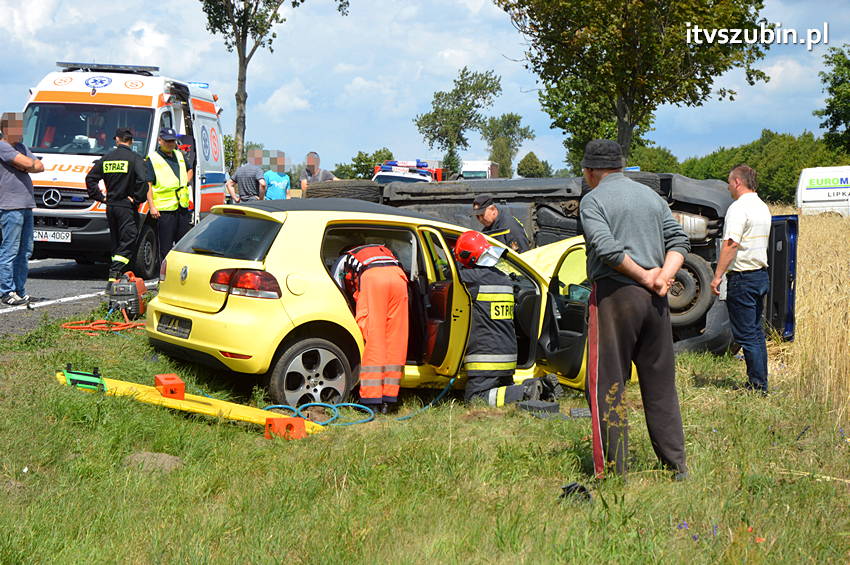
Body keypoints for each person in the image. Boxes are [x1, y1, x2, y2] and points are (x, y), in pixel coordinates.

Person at [579, 139, 690, 480]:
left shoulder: (593, 200)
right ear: (622, 166)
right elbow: (679, 240)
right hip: (656, 301)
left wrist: (643, 276)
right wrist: (663, 277)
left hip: (616, 298)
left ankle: (613, 471)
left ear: (590, 172)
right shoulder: (652, 198)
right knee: (660, 384)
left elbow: (607, 249)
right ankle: (676, 466)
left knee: (607, 384)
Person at [453, 230, 559, 405]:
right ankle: (537, 385)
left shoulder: (470, 279)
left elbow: (450, 277)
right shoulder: (503, 279)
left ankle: (526, 390)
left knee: (475, 399)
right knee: (500, 392)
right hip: (508, 356)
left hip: (485, 359)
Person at [710, 165, 772, 393]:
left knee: (747, 335)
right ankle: (759, 381)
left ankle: (757, 386)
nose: (727, 187)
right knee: (756, 332)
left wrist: (717, 276)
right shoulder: (762, 206)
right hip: (760, 276)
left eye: (729, 182)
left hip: (743, 278)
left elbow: (731, 244)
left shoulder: (738, 209)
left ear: (737, 182)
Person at [332, 243, 408, 413]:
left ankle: (371, 400)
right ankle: (389, 400)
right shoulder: (384, 252)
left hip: (374, 280)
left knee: (375, 340)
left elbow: (336, 290)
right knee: (396, 339)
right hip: (399, 277)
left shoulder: (346, 258)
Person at [85, 127, 148, 286]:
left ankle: (118, 277)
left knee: (117, 241)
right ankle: (115, 270)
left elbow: (90, 179)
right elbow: (142, 181)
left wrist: (100, 197)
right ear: (131, 141)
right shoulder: (135, 158)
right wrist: (137, 198)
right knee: (129, 237)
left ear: (117, 140)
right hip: (126, 206)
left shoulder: (106, 158)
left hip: (111, 206)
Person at [0, 112, 44, 306]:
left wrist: (28, 165)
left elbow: (40, 166)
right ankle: (6, 291)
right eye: (17, 127)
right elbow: (28, 163)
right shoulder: (3, 146)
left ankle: (20, 290)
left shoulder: (22, 147)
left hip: (26, 204)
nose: (21, 131)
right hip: (10, 206)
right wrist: (28, 165)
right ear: (6, 129)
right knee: (10, 250)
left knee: (25, 250)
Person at [145, 128, 192, 264]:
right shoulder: (153, 159)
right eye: (167, 141)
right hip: (164, 210)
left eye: (172, 141)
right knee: (165, 248)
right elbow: (148, 184)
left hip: (182, 207)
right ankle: (164, 278)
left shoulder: (179, 155)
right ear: (160, 140)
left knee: (182, 246)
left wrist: (186, 181)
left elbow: (189, 170)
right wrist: (152, 206)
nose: (170, 144)